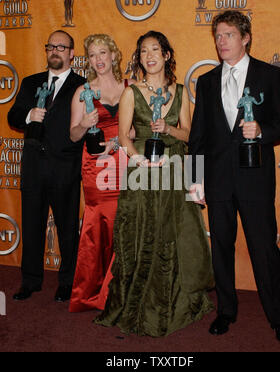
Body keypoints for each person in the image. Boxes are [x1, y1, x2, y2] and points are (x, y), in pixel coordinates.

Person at [94, 30, 214, 337]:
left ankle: (173, 302)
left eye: (155, 50)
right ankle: (136, 303)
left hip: (174, 170)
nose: (149, 56)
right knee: (142, 233)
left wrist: (170, 129)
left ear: (167, 56)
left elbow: (191, 136)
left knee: (175, 235)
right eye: (144, 51)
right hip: (142, 172)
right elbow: (123, 136)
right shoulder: (131, 93)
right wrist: (138, 160)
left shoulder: (182, 90)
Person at [188, 10, 280, 344]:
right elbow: (198, 135)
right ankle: (226, 312)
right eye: (218, 35)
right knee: (220, 247)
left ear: (245, 37)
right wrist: (195, 179)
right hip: (218, 180)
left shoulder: (268, 74)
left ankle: (278, 319)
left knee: (263, 248)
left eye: (229, 35)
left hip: (254, 179)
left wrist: (262, 130)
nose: (222, 41)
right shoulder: (206, 81)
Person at [8, 30, 85, 302]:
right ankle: (30, 281)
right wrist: (29, 115)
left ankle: (68, 281)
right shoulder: (30, 83)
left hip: (65, 166)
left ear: (72, 53)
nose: (55, 51)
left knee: (67, 229)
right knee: (31, 225)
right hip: (33, 167)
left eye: (61, 47)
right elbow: (13, 116)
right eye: (50, 46)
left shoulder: (82, 86)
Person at [69, 34, 134, 312]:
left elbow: (140, 128)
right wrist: (84, 123)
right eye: (93, 54)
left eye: (103, 53)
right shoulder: (82, 90)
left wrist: (121, 139)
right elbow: (73, 136)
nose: (98, 59)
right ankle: (93, 291)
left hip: (127, 162)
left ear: (113, 55)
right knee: (99, 226)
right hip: (97, 166)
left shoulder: (130, 86)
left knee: (128, 223)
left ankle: (123, 291)